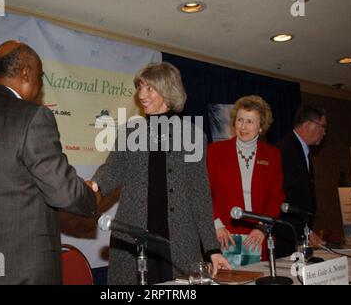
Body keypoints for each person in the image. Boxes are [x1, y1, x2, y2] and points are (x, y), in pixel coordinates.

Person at [0, 40, 98, 285]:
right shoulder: (32, 116)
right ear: (26, 72)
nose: (40, 85)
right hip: (16, 272)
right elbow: (63, 192)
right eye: (40, 76)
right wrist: (91, 198)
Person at [91, 62, 230, 285]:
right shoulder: (130, 132)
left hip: (178, 244)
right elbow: (112, 170)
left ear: (167, 90)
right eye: (140, 88)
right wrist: (95, 185)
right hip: (132, 241)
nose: (141, 95)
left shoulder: (193, 136)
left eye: (149, 88)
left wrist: (212, 248)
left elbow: (199, 195)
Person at [207, 95, 285, 261]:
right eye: (240, 120)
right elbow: (204, 193)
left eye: (250, 121)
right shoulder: (215, 152)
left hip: (257, 237)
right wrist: (216, 225)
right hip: (224, 235)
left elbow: (275, 197)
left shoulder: (273, 155)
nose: (243, 126)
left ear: (261, 127)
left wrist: (262, 228)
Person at [275, 104, 327, 258]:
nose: (324, 132)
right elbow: (286, 199)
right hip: (286, 235)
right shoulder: (286, 151)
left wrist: (308, 231)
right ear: (308, 125)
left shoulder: (301, 149)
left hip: (297, 232)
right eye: (323, 127)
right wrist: (305, 231)